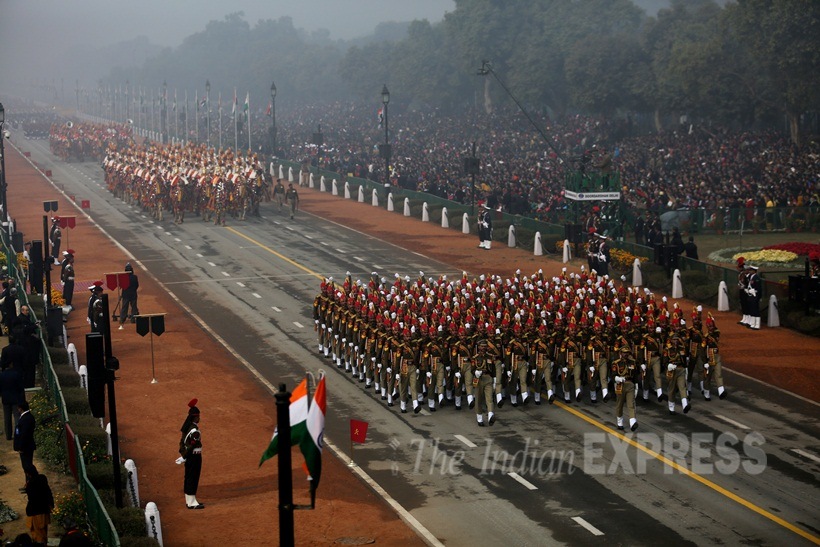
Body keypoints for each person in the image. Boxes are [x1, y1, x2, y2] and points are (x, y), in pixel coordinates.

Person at [177, 399, 204, 509]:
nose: (199, 418)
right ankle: (192, 502)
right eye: (198, 416)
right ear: (195, 417)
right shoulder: (195, 432)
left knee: (188, 477)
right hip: (194, 457)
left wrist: (183, 455)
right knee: (193, 477)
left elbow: (182, 443)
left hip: (190, 457)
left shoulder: (187, 428)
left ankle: (190, 501)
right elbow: (190, 446)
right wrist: (184, 456)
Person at [24, 465, 54, 544]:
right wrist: (51, 504)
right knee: (44, 532)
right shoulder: (42, 478)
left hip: (35, 512)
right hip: (44, 510)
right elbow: (48, 492)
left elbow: (32, 497)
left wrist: (27, 488)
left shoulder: (31, 484)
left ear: (28, 473)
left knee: (38, 535)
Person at [612, 345, 638, 431]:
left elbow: (635, 375)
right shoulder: (616, 363)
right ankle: (620, 422)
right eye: (624, 353)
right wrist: (617, 378)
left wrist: (636, 385)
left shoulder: (633, 362)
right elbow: (613, 375)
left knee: (631, 404)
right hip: (620, 385)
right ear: (620, 353)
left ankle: (632, 422)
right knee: (620, 404)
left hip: (630, 384)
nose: (625, 355)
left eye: (627, 353)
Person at [0, 360, 25, 440]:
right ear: (11, 364)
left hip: (5, 399)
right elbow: (21, 388)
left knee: (7, 418)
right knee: (17, 417)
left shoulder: (1, 375)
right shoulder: (16, 374)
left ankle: (8, 435)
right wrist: (22, 399)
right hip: (15, 399)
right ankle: (17, 434)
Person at [14, 399, 36, 473]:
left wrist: (21, 447)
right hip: (26, 446)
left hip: (26, 447)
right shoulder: (26, 417)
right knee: (26, 467)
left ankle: (32, 481)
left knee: (27, 466)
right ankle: (29, 483)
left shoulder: (26, 418)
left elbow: (24, 434)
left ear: (20, 408)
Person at [118, 263, 140, 330]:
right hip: (133, 294)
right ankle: (133, 319)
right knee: (134, 307)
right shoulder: (135, 277)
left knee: (124, 307)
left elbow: (121, 286)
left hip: (125, 294)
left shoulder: (123, 277)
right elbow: (137, 285)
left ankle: (122, 319)